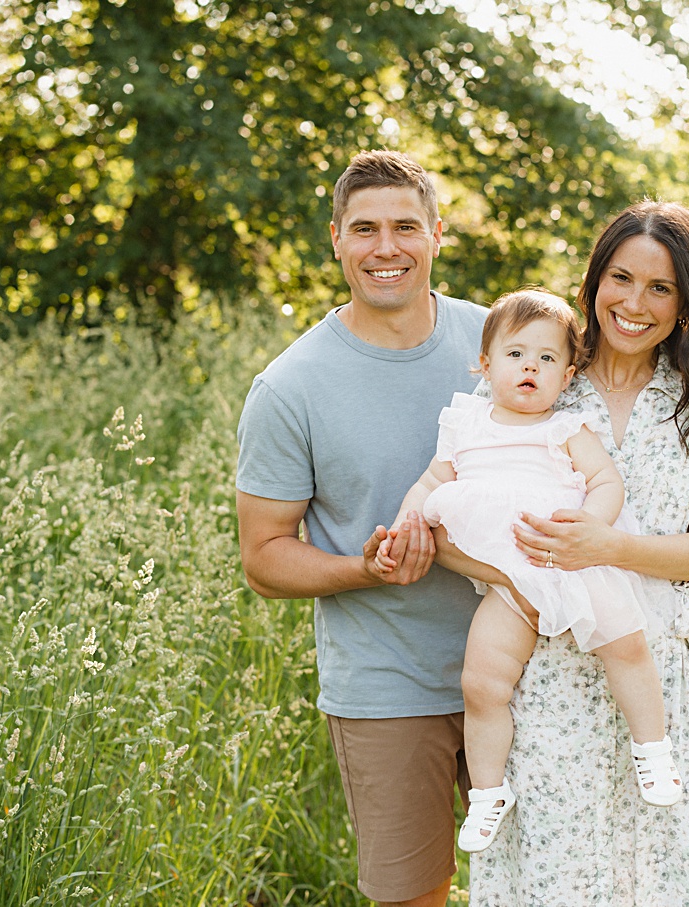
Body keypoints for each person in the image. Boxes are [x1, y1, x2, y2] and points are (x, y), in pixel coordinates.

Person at [445, 201, 689, 905]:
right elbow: (455, 528)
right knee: (560, 877)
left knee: (676, 875)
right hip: (549, 674)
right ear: (594, 281)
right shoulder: (537, 372)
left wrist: (605, 546)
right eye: (622, 278)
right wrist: (530, 577)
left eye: (661, 288)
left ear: (686, 302)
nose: (636, 303)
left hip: (662, 675)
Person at [235, 150, 488, 907]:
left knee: (545, 883)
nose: (388, 248)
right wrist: (365, 568)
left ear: (437, 234)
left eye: (406, 226)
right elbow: (263, 557)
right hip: (386, 686)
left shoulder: (500, 344)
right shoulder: (289, 385)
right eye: (366, 229)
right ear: (337, 240)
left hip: (521, 673)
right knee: (413, 894)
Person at [373, 289, 683, 855]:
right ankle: (489, 793)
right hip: (508, 585)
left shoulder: (566, 428)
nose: (530, 368)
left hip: (573, 563)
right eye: (516, 355)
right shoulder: (465, 424)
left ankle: (653, 749)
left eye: (546, 359)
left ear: (567, 377)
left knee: (627, 647)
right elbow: (428, 486)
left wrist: (588, 530)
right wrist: (402, 529)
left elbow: (606, 482)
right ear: (485, 365)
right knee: (482, 682)